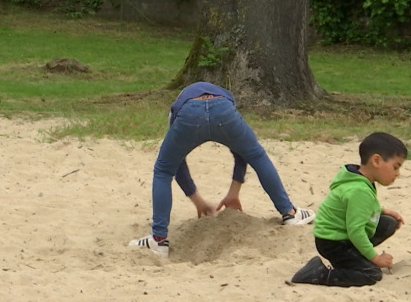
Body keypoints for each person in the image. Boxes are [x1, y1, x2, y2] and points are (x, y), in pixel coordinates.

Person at [128, 82, 315, 258]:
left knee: (163, 170)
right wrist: (234, 192)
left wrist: (198, 201)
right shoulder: (225, 98)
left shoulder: (177, 108)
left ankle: (159, 240)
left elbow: (178, 165)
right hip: (223, 111)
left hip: (189, 115)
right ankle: (289, 213)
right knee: (257, 155)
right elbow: (242, 153)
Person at [290, 132, 407, 287]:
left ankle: (355, 259)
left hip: (340, 234)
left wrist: (382, 210)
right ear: (376, 160)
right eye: (395, 167)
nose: (397, 174)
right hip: (334, 242)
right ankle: (320, 273)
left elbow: (357, 207)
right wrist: (376, 258)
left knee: (388, 223)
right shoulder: (359, 190)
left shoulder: (358, 177)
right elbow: (355, 231)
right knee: (372, 274)